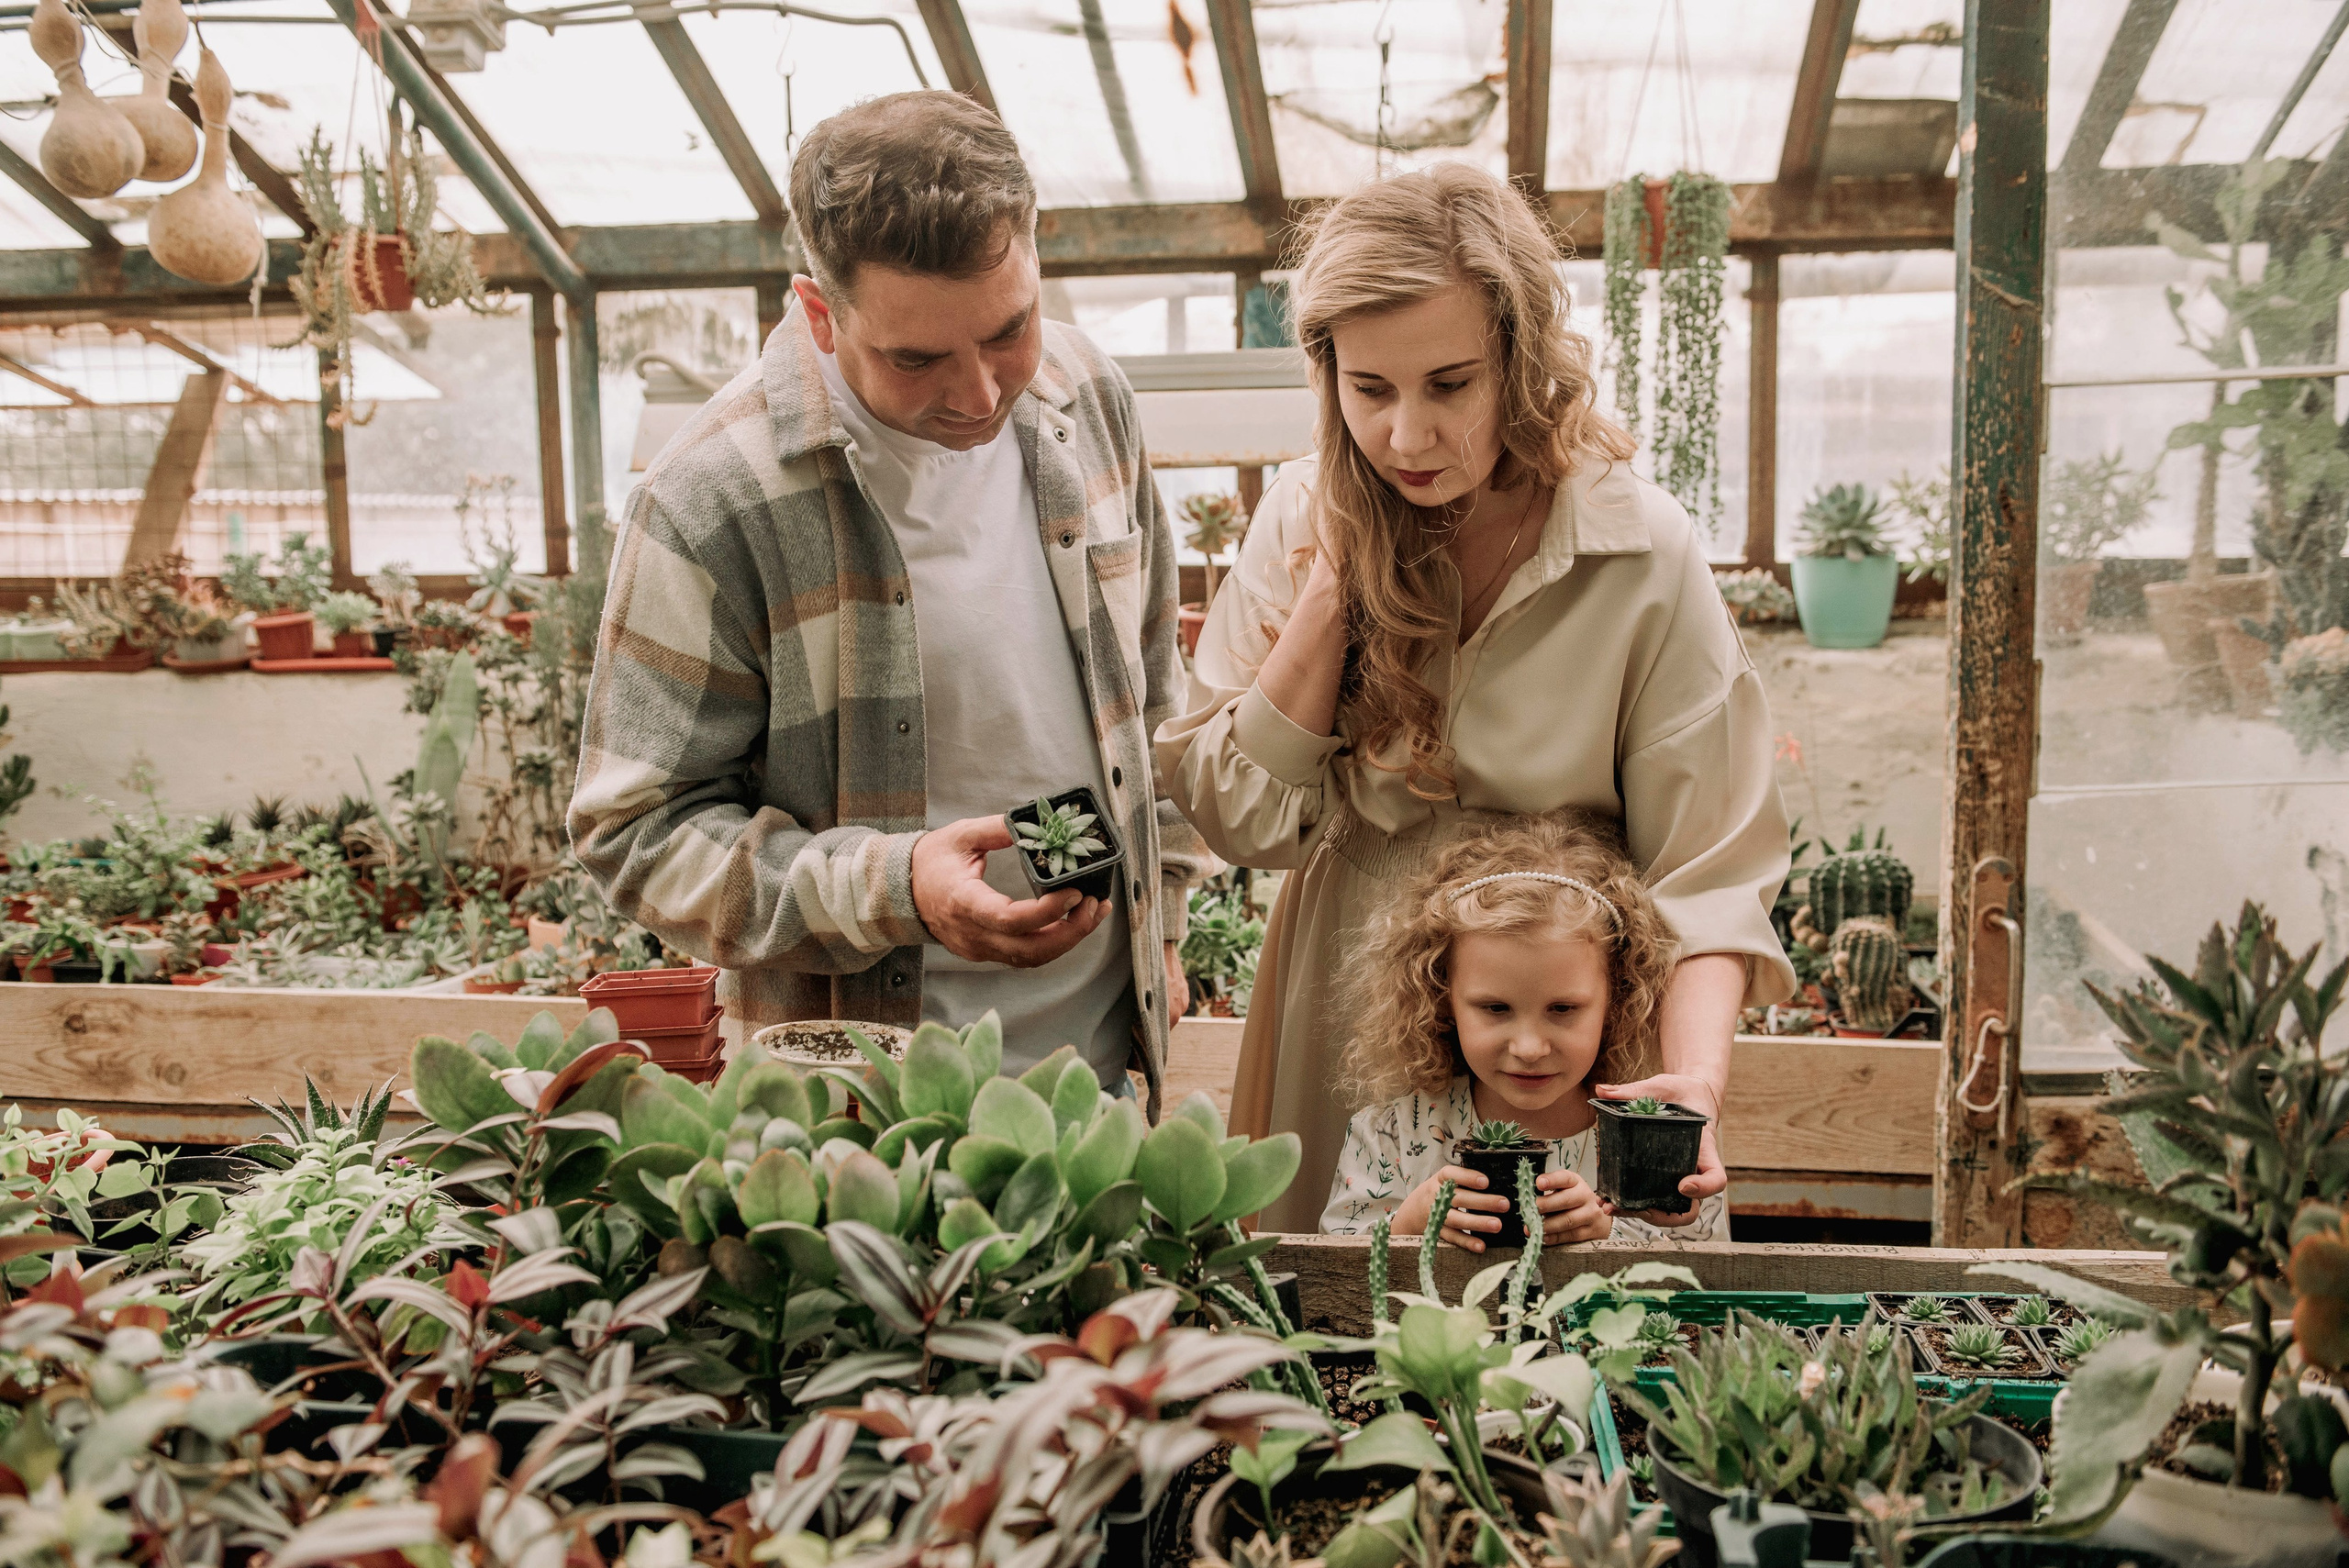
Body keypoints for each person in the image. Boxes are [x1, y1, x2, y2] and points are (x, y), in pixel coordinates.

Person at [1156, 162, 1793, 1233]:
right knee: (1344, 1317)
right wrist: (1333, 580)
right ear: (1326, 376)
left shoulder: (1638, 546)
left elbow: (1710, 862)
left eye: (1449, 384)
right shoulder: (1300, 519)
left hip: (1556, 1019)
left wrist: (1694, 1083)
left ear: (1522, 358)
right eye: (1369, 390)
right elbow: (1242, 817)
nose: (1406, 437)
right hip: (1351, 1001)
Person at [569, 91, 1208, 1110]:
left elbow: (1152, 701)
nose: (979, 393)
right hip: (857, 1122)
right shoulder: (713, 500)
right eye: (915, 358)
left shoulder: (1086, 399)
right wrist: (894, 885)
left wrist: (1161, 930)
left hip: (1099, 1090)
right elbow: (635, 833)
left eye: (1008, 330)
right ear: (819, 311)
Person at [1320, 812, 1726, 1245]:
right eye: (1495, 1008)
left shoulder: (1656, 1140)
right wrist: (1408, 1225)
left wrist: (1608, 1232)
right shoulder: (1392, 1134)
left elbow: (1712, 1271)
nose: (1530, 1048)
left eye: (1563, 1008)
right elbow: (1334, 1268)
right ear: (1441, 997)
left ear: (1617, 999)